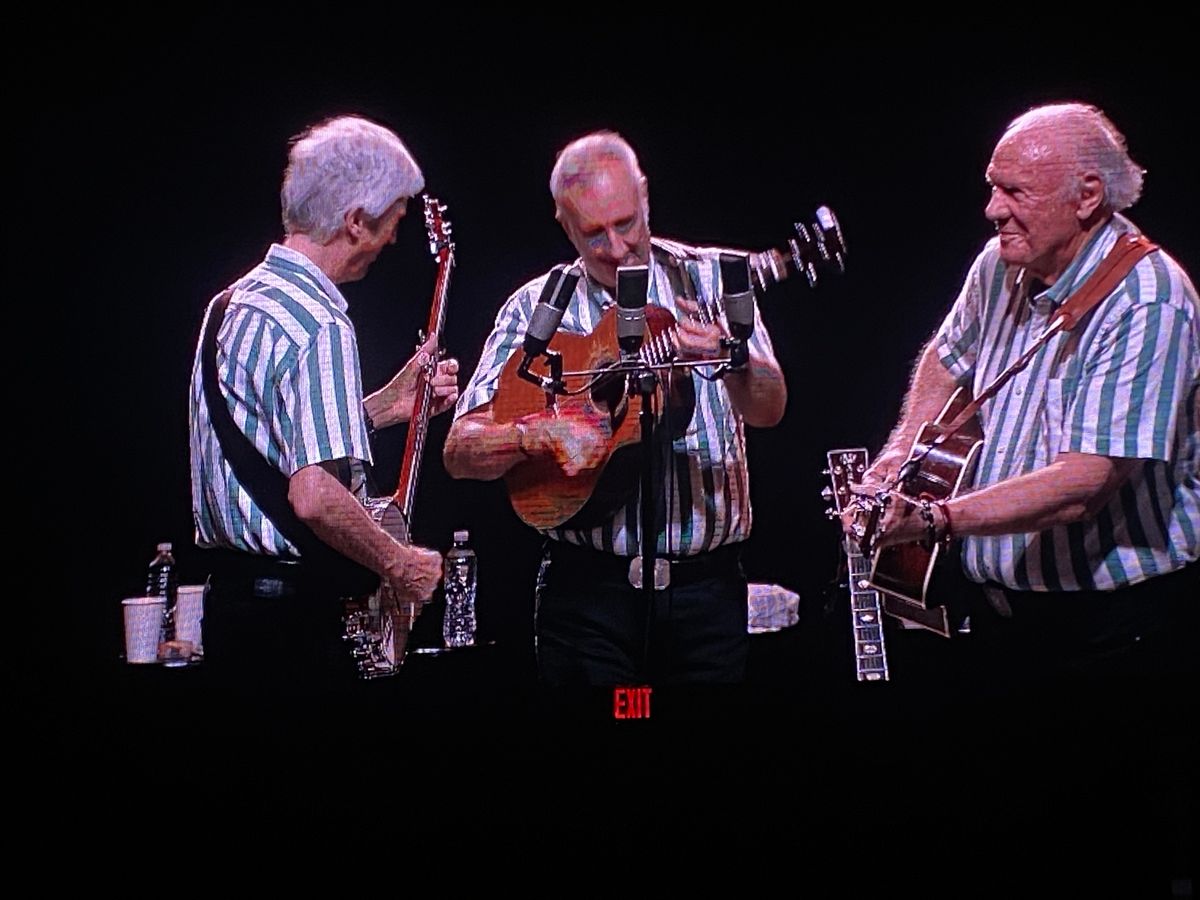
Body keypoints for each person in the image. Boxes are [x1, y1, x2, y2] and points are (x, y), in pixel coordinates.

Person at [848, 102, 1197, 892]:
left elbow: (1086, 484)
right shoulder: (1001, 262)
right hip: (1010, 625)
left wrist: (936, 519)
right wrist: (896, 460)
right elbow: (948, 352)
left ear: (1086, 197)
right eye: (990, 187)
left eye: (1014, 192)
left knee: (1110, 853)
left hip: (1115, 637)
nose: (991, 209)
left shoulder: (1149, 300)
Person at [443, 131, 787, 718]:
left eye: (627, 223)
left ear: (646, 197)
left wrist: (730, 357)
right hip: (588, 600)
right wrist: (533, 433)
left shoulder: (711, 281)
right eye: (592, 233)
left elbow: (769, 409)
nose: (615, 247)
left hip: (706, 596)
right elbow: (458, 449)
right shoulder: (535, 309)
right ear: (563, 223)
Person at [188, 114, 459, 712]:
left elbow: (270, 443)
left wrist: (387, 407)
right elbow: (311, 495)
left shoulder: (230, 304)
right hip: (295, 625)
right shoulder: (321, 323)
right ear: (357, 221)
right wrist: (400, 563)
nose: (394, 238)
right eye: (393, 219)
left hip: (231, 613)